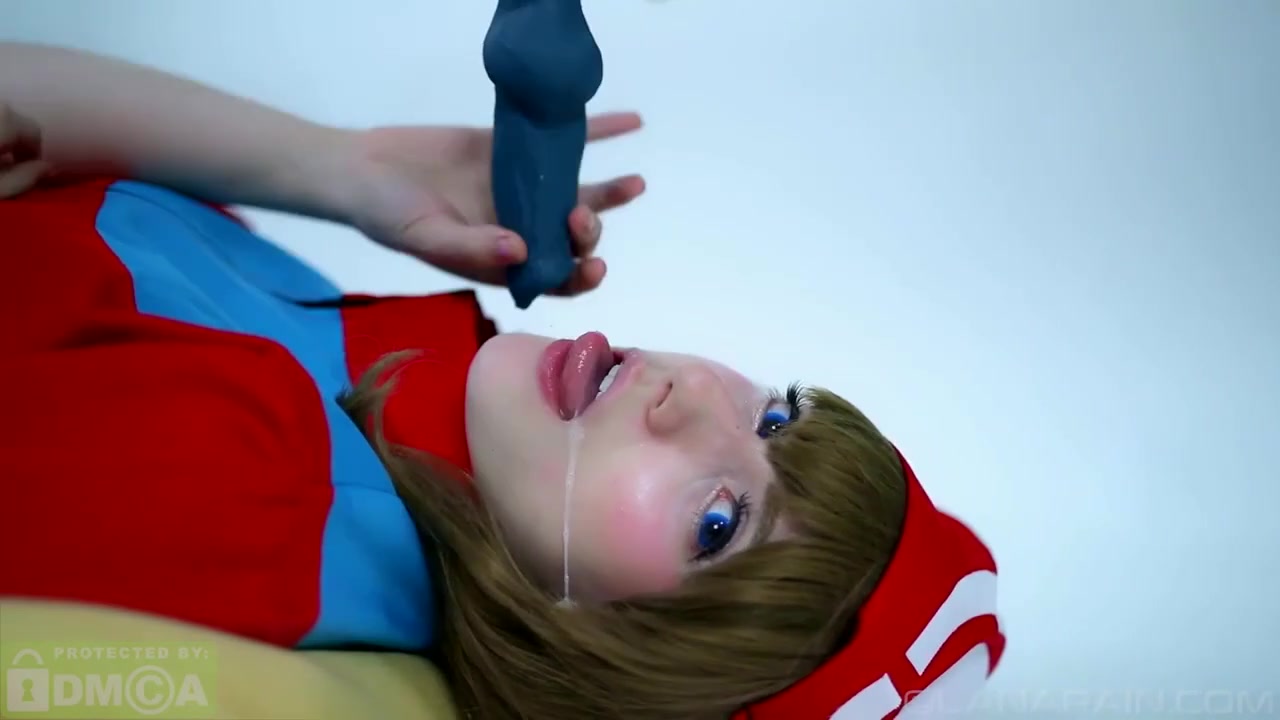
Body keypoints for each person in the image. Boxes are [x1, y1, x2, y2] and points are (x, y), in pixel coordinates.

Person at [0, 42, 1006, 720]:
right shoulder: (375, 395)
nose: (696, 394)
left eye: (716, 523)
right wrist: (341, 167)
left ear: (603, 659)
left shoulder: (249, 485)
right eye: (776, 420)